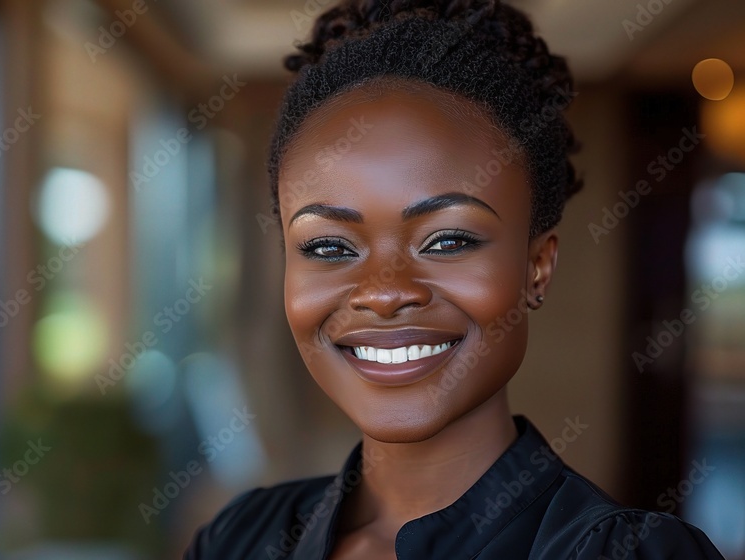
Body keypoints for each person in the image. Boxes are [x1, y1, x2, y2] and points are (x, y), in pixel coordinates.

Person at [183, 0, 726, 558]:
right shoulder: (240, 540)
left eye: (448, 241)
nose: (385, 291)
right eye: (328, 246)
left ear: (537, 267)